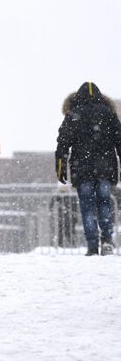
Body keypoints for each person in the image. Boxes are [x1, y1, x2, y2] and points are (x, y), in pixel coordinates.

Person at [55, 82, 121, 256]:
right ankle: (106, 239)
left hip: (82, 168)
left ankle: (92, 245)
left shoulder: (73, 114)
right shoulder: (109, 113)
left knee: (87, 206)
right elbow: (119, 141)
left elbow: (63, 143)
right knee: (105, 203)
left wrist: (60, 167)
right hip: (105, 168)